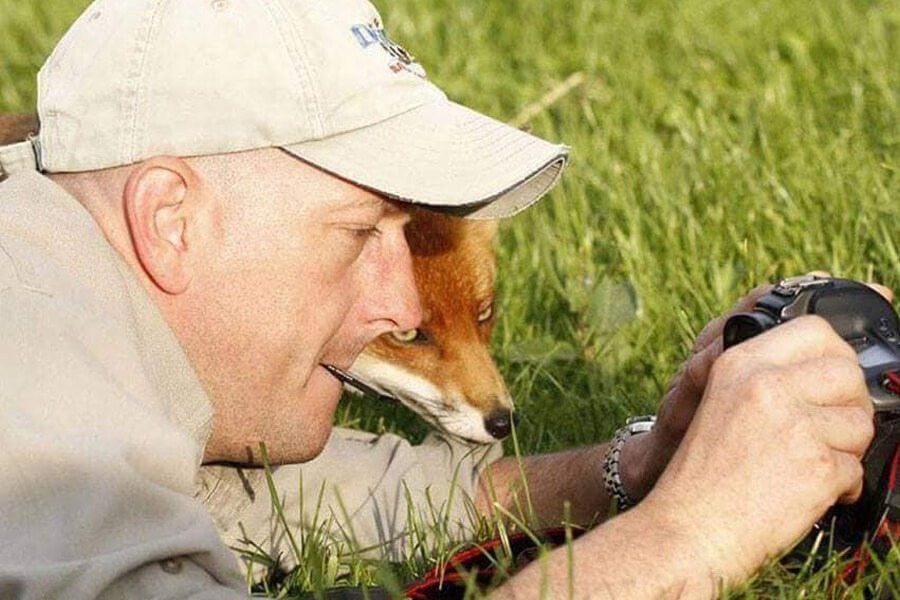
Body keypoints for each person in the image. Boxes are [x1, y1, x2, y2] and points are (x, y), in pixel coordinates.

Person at [0, 1, 881, 598]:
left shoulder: (83, 317)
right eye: (361, 233)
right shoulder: (30, 359)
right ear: (172, 218)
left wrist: (647, 468)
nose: (399, 298)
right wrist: (690, 536)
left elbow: (281, 499)